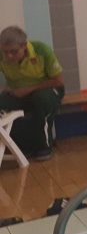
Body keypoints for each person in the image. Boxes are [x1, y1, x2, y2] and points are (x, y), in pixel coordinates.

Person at [0, 26, 64, 161]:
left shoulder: (41, 50)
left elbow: (58, 81)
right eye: (5, 51)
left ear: (24, 46)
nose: (9, 56)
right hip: (18, 93)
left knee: (41, 99)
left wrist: (28, 89)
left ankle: (43, 147)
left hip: (48, 90)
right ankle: (21, 146)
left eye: (13, 51)